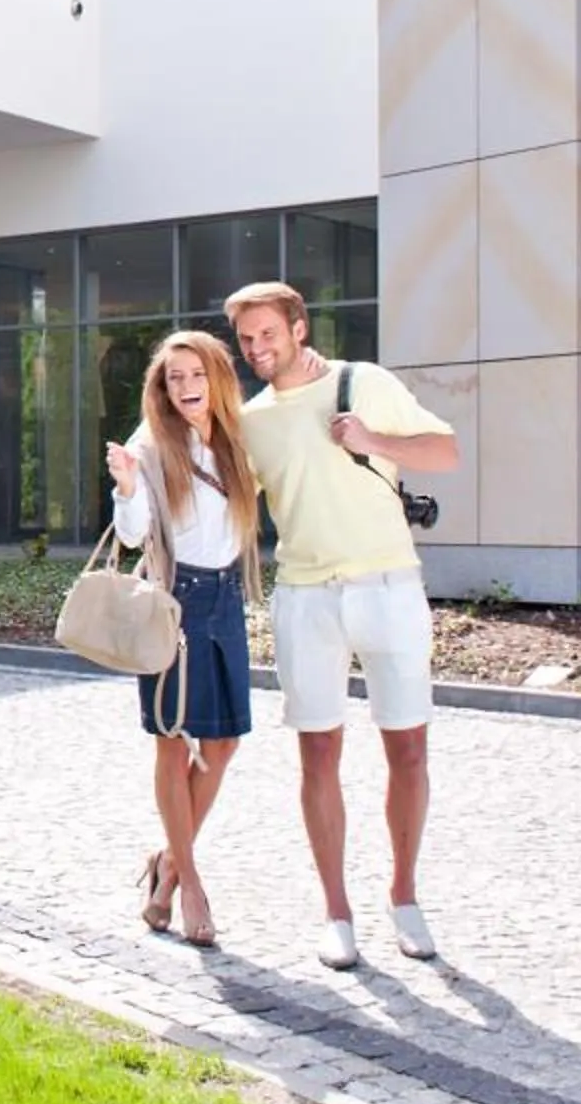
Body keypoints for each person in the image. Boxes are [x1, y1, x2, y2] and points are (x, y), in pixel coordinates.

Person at [224, 281, 460, 971]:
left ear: (299, 327)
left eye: (268, 332)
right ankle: (336, 911)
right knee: (318, 755)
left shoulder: (365, 383)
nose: (258, 348)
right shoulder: (253, 420)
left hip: (389, 584)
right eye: (246, 339)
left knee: (408, 750)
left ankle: (405, 897)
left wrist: (371, 437)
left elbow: (445, 452)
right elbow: (228, 498)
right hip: (306, 597)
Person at [105, 330, 263, 950]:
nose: (187, 387)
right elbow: (134, 530)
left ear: (217, 378)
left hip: (226, 601)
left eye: (196, 375)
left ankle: (167, 859)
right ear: (162, 388)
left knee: (221, 746)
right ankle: (188, 884)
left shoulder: (237, 438)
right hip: (175, 604)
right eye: (175, 379)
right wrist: (124, 483)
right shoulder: (152, 441)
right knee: (173, 744)